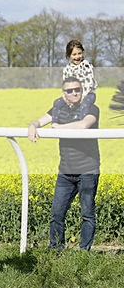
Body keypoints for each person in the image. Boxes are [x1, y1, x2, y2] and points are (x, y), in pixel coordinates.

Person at [27, 76, 100, 251]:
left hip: (88, 170)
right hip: (66, 171)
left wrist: (58, 128)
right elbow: (40, 121)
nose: (74, 93)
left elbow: (83, 125)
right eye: (70, 90)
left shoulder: (92, 108)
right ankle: (56, 251)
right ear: (63, 93)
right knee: (56, 214)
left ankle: (84, 252)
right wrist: (32, 125)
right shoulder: (57, 109)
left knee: (87, 214)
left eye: (78, 90)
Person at [62, 39, 97, 110]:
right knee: (58, 103)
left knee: (84, 104)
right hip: (73, 95)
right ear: (69, 55)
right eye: (74, 54)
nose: (77, 57)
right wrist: (66, 97)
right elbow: (65, 86)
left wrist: (80, 99)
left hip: (88, 94)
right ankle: (56, 121)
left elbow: (89, 85)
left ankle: (81, 120)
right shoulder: (67, 69)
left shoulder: (87, 66)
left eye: (79, 53)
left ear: (83, 52)